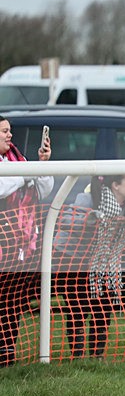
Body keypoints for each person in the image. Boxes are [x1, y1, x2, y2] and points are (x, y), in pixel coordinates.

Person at [53, 175, 125, 359]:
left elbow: (123, 237)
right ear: (116, 185)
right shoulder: (87, 198)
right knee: (78, 310)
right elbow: (64, 221)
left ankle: (97, 357)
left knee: (103, 308)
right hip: (72, 258)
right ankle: (77, 357)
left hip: (104, 261)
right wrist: (88, 220)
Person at [0, 115, 53, 366]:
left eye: (9, 131)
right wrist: (25, 174)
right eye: (4, 131)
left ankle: (8, 354)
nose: (10, 136)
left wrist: (41, 165)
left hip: (22, 247)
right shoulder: (18, 167)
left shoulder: (18, 160)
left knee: (15, 302)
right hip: (3, 247)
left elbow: (43, 191)